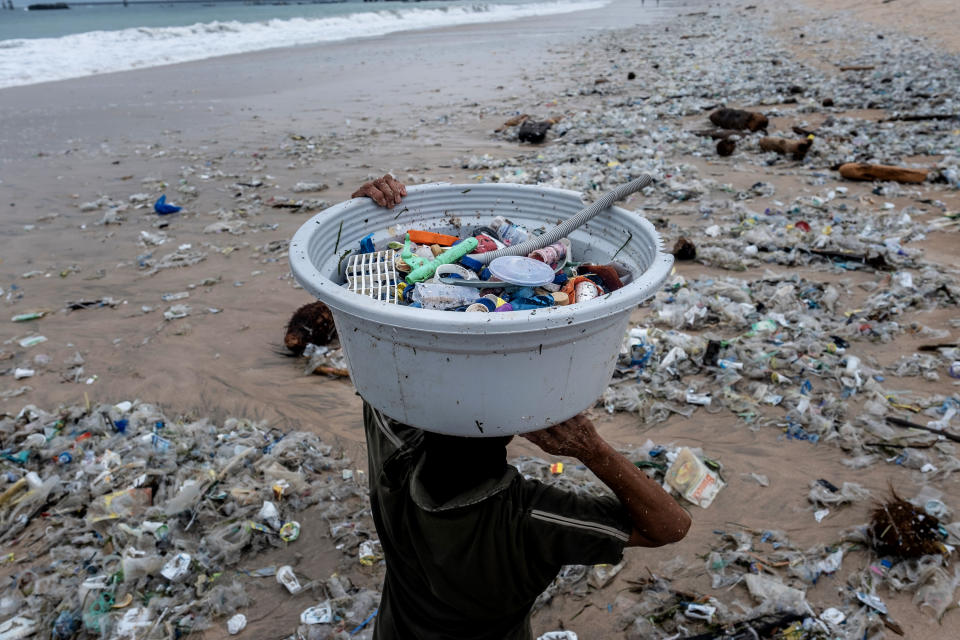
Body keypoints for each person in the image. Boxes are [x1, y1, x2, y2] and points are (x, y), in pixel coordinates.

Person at [353, 175, 692, 639]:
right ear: (514, 426)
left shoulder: (394, 456)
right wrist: (592, 450)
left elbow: (372, 353)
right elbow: (669, 527)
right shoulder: (527, 521)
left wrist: (364, 217)